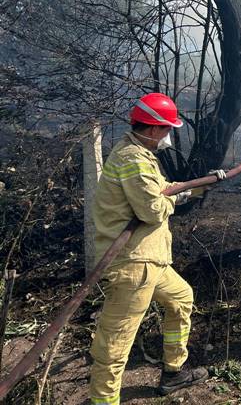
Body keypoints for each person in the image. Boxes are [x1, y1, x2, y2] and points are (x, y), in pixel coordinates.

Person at [88, 93, 225, 404]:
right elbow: (151, 209)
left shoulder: (140, 154)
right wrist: (172, 197)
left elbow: (159, 192)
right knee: (116, 344)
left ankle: (173, 372)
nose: (168, 135)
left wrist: (190, 190)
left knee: (181, 298)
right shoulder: (132, 160)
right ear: (152, 130)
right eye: (166, 129)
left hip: (150, 259)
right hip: (132, 264)